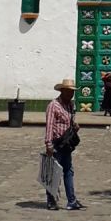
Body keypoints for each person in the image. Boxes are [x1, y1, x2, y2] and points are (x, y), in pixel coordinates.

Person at [44, 77, 84, 210]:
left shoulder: (70, 105)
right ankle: (51, 200)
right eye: (69, 92)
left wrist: (75, 126)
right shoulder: (53, 106)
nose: (71, 94)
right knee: (53, 173)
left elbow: (70, 121)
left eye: (72, 92)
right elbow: (49, 125)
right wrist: (48, 144)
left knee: (68, 171)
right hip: (56, 144)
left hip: (67, 145)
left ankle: (71, 200)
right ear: (62, 91)